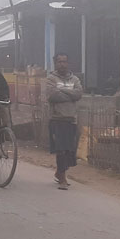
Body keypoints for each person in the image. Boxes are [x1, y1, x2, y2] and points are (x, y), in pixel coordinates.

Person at [47, 52, 83, 189]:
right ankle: (62, 178)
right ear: (56, 63)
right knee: (61, 149)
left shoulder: (75, 79)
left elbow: (79, 93)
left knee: (70, 150)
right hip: (57, 118)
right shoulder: (51, 78)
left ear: (68, 63)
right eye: (60, 61)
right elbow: (52, 95)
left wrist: (63, 91)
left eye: (65, 61)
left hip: (72, 119)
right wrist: (71, 94)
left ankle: (59, 172)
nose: (62, 64)